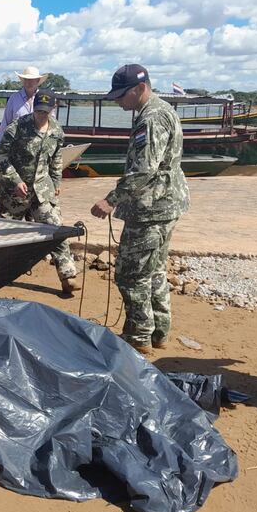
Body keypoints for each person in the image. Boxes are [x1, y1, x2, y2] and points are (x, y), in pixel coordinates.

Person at [90, 64, 190, 353]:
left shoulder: (152, 118)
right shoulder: (160, 110)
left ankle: (139, 336)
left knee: (130, 274)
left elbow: (144, 168)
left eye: (122, 96)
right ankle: (159, 332)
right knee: (154, 270)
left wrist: (111, 200)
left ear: (140, 88)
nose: (118, 102)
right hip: (165, 204)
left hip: (150, 208)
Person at [0, 89, 79, 294]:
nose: (42, 115)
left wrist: (56, 182)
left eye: (46, 112)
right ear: (34, 108)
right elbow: (0, 158)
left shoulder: (57, 131)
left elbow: (57, 160)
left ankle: (68, 275)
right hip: (13, 193)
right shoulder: (17, 128)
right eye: (39, 111)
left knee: (55, 228)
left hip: (42, 191)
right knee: (0, 236)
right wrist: (15, 181)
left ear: (53, 109)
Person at [0, 65, 48, 147]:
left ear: (37, 81)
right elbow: (6, 123)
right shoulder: (14, 99)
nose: (28, 83)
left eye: (31, 80)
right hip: (17, 148)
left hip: (39, 147)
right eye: (26, 80)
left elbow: (51, 124)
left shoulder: (44, 99)